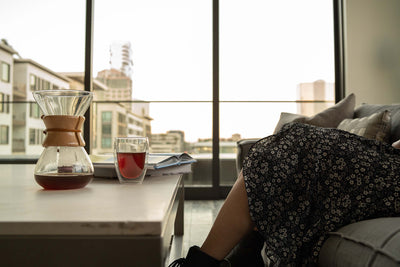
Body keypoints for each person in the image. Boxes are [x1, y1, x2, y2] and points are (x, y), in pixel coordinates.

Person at [169, 122, 400, 267]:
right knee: (290, 143)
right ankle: (234, 256)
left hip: (390, 175)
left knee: (298, 144)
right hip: (389, 158)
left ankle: (202, 263)